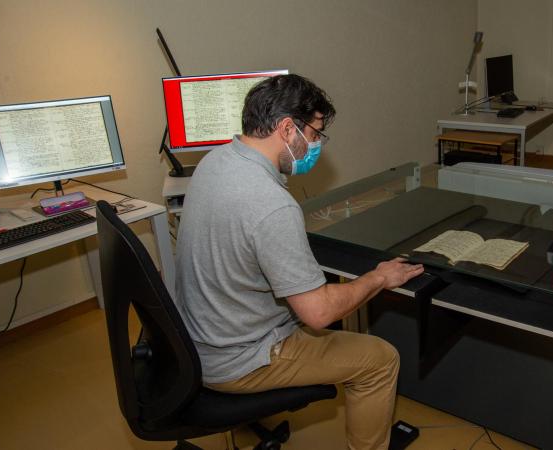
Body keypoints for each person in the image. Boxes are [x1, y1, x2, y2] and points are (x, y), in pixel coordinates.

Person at [175, 74, 424, 450]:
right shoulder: (272, 204)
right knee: (380, 359)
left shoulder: (214, 161)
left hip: (196, 339)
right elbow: (319, 314)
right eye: (315, 133)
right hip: (237, 359)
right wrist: (378, 278)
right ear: (288, 129)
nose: (316, 144)